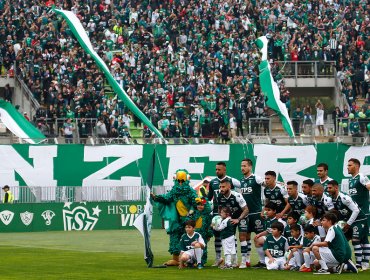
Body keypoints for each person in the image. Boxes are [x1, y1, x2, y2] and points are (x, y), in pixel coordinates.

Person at [327, 180, 369, 270]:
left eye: (330, 188)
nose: (328, 190)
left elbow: (356, 210)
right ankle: (353, 261)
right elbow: (335, 213)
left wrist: (348, 224)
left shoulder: (344, 197)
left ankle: (359, 264)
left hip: (359, 219)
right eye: (327, 188)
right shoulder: (331, 199)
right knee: (344, 240)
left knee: (356, 240)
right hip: (347, 222)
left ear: (336, 187)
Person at [207, 162, 240, 267]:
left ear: (224, 170)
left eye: (219, 169)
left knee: (231, 236)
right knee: (217, 236)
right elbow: (209, 197)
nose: (217, 171)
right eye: (216, 169)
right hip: (217, 213)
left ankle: (234, 259)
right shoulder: (212, 182)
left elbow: (241, 188)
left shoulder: (231, 180)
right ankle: (218, 258)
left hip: (228, 213)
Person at [217, 178, 249, 268]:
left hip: (242, 217)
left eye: (223, 187)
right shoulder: (219, 196)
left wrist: (238, 219)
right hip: (230, 219)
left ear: (229, 186)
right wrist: (221, 218)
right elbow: (219, 209)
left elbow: (246, 210)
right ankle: (234, 262)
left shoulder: (237, 195)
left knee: (242, 237)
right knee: (230, 238)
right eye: (220, 187)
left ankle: (243, 262)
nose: (221, 189)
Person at [239, 159, 265, 268]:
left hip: (257, 213)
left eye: (244, 166)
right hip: (245, 214)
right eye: (241, 166)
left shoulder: (256, 178)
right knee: (245, 236)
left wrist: (265, 207)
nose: (242, 168)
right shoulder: (241, 181)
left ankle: (263, 261)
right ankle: (247, 260)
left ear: (250, 167)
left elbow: (266, 185)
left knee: (260, 238)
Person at [254, 202, 287, 268]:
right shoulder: (268, 219)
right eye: (265, 210)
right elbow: (268, 230)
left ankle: (264, 261)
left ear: (274, 211)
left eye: (269, 210)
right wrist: (259, 234)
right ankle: (262, 261)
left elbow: (282, 234)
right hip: (270, 237)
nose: (266, 212)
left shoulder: (279, 221)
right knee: (256, 238)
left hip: (278, 239)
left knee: (259, 240)